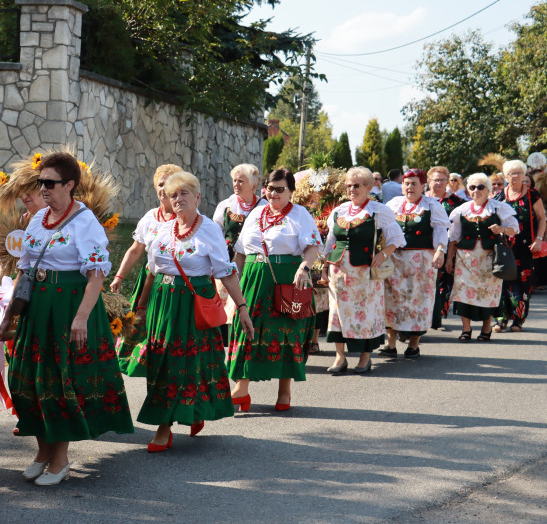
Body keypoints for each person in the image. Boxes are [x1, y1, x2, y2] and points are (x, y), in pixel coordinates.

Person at [4, 152, 133, 485]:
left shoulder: (85, 222)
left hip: (69, 308)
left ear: (70, 185)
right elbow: (25, 270)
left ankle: (60, 460)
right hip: (37, 308)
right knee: (31, 379)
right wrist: (9, 316)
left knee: (62, 381)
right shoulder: (38, 218)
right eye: (40, 183)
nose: (43, 189)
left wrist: (80, 319)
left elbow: (95, 276)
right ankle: (42, 452)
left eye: (49, 183)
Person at [134, 171, 253, 449]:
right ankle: (167, 423)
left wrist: (242, 307)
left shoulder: (209, 228)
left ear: (198, 197)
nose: (178, 199)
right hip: (162, 304)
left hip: (193, 305)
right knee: (161, 362)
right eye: (173, 195)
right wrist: (140, 307)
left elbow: (226, 272)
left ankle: (178, 419)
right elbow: (151, 272)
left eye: (184, 193)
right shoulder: (162, 229)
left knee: (189, 364)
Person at [227, 169, 322, 411]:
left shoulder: (300, 215)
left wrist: (304, 267)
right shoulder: (256, 213)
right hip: (252, 278)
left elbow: (312, 246)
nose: (274, 193)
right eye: (270, 188)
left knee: (285, 332)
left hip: (286, 280)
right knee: (246, 327)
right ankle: (242, 388)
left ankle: (284, 391)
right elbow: (240, 251)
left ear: (291, 191)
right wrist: (230, 280)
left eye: (280, 189)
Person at [324, 167, 406, 374]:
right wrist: (324, 268)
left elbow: (397, 239)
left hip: (365, 274)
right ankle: (340, 357)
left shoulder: (379, 211)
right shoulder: (339, 211)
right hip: (338, 272)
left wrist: (383, 254)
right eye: (349, 185)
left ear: (369, 187)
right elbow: (330, 243)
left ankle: (364, 357)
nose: (352, 189)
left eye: (357, 185)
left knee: (366, 314)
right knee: (337, 314)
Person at [110, 163, 182, 376]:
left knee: (169, 332)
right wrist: (119, 275)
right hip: (148, 281)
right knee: (141, 328)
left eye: (168, 184)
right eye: (160, 184)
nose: (163, 188)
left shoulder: (185, 217)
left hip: (176, 283)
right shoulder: (150, 217)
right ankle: (151, 373)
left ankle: (168, 373)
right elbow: (135, 249)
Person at [380, 169, 450, 358]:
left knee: (418, 301)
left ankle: (413, 344)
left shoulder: (431, 205)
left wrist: (440, 251)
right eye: (406, 183)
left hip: (421, 261)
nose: (410, 187)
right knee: (392, 299)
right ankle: (390, 344)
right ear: (401, 186)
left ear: (422, 186)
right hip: (395, 259)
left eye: (414, 183)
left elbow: (441, 231)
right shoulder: (393, 204)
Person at [447, 173, 520, 341]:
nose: (476, 190)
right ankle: (466, 329)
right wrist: (449, 259)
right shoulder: (461, 210)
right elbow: (453, 237)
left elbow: (514, 229)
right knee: (462, 292)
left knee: (489, 293)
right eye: (472, 187)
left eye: (480, 187)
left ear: (488, 190)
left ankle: (486, 328)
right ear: (467, 190)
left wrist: (501, 229)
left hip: (490, 259)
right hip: (465, 259)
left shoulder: (498, 208)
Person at [492, 160, 546, 332]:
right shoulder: (499, 196)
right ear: (506, 176)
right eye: (511, 173)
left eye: (519, 173)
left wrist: (538, 239)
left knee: (522, 283)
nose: (515, 176)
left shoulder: (532, 194)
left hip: (526, 247)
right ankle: (501, 319)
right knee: (501, 281)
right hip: (505, 246)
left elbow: (541, 218)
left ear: (524, 176)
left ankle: (518, 319)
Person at [426, 166, 465, 329]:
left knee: (445, 284)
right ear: (428, 182)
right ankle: (425, 317)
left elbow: (461, 229)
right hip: (424, 249)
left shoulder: (457, 202)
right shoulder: (422, 199)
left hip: (448, 248)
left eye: (443, 180)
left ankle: (438, 317)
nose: (439, 183)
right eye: (436, 180)